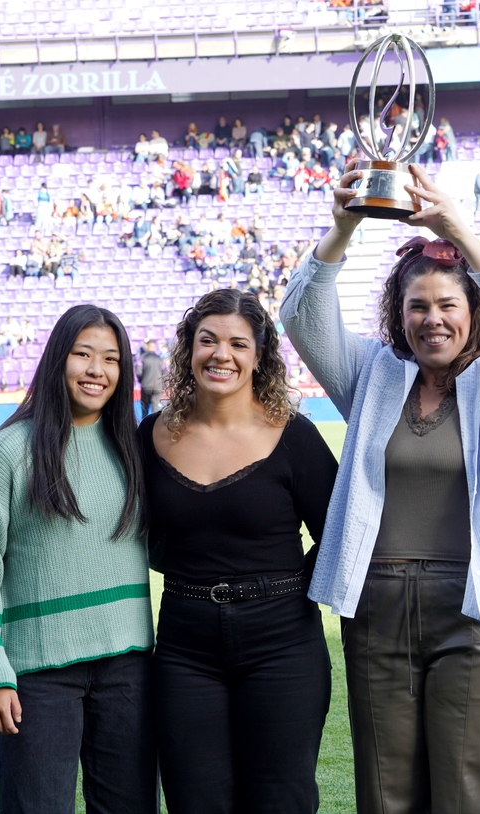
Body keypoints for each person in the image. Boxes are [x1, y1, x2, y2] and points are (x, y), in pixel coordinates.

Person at [282, 161, 480, 814]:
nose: (432, 320)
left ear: (475, 310)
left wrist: (458, 227)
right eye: (418, 307)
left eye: (448, 306)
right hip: (377, 605)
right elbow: (301, 317)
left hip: (476, 606)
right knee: (387, 795)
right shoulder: (374, 376)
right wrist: (341, 228)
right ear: (399, 314)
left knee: (469, 795)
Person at [0, 305, 157, 814]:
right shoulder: (7, 451)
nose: (97, 370)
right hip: (36, 675)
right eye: (82, 354)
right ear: (56, 360)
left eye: (111, 359)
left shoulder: (132, 448)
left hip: (128, 667)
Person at [142, 289, 337, 813]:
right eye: (207, 340)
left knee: (281, 799)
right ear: (188, 349)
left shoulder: (294, 436)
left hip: (283, 644)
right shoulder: (151, 434)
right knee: (194, 799)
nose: (220, 354)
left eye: (237, 344)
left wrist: (292, 591)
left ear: (259, 356)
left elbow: (338, 533)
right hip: (185, 645)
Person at [137, 339, 163, 418]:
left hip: (145, 386)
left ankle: (143, 426)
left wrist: (142, 381)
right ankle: (155, 426)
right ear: (154, 347)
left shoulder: (141, 358)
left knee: (144, 407)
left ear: (147, 347)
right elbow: (165, 372)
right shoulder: (160, 359)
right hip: (157, 386)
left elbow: (138, 372)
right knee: (155, 408)